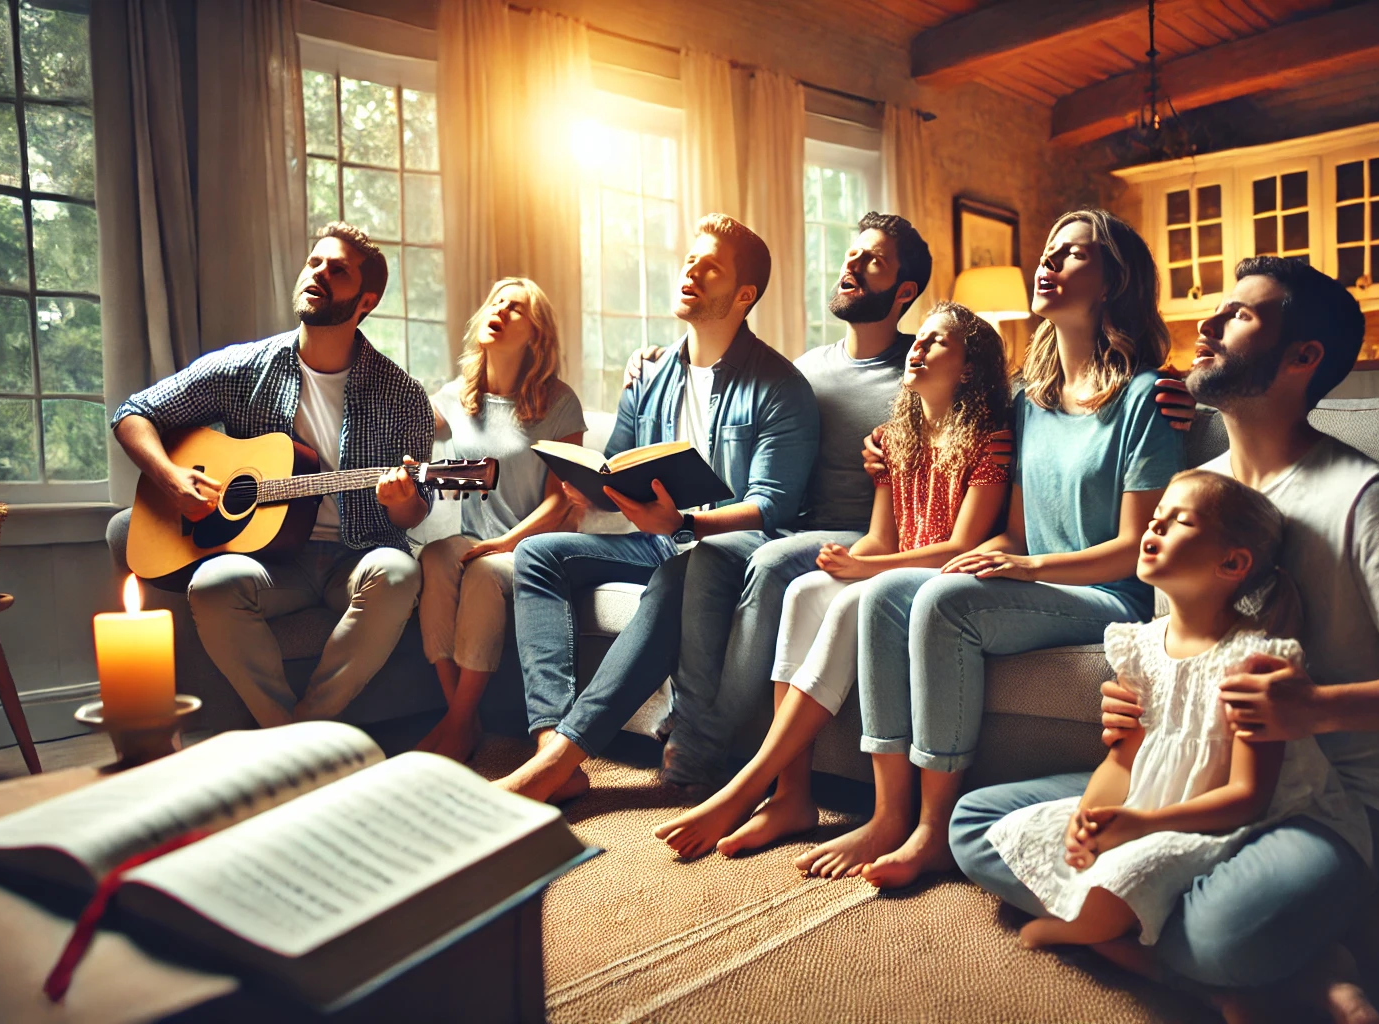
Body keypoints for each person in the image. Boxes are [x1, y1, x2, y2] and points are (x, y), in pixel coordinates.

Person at [950, 256, 1379, 1024]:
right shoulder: (1198, 492)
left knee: (1223, 934)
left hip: (1334, 801)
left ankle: (1300, 934)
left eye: (1238, 315)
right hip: (1191, 779)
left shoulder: (1369, 499)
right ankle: (1313, 957)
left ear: (1303, 357)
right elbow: (1179, 637)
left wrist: (1316, 710)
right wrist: (1135, 710)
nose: (1204, 324)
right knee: (975, 828)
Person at [795, 208, 1186, 888]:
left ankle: (934, 831)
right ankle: (891, 814)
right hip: (1037, 582)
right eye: (1049, 249)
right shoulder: (1029, 403)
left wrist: (1022, 566)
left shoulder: (1148, 400)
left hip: (1106, 594)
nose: (1048, 262)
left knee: (946, 603)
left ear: (1114, 282)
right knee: (888, 591)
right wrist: (982, 553)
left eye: (1072, 255)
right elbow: (1013, 529)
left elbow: (1133, 552)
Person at [654, 302, 1012, 858]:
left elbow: (963, 546)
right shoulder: (896, 438)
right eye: (920, 340)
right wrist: (843, 560)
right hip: (896, 569)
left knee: (851, 605)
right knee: (802, 591)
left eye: (938, 342)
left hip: (940, 579)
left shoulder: (989, 441)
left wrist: (864, 570)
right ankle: (789, 795)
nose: (917, 347)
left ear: (968, 369)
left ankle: (744, 785)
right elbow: (878, 538)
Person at [497, 214, 819, 804]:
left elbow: (771, 507)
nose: (691, 270)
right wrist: (590, 486)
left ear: (744, 295)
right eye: (690, 260)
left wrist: (685, 523)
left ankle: (565, 755)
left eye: (710, 266)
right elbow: (618, 462)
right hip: (660, 538)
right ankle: (551, 747)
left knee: (683, 567)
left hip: (730, 552)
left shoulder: (780, 386)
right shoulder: (650, 374)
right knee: (538, 555)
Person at [991, 470, 1369, 958]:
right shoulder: (1140, 646)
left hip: (1219, 821)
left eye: (1178, 522)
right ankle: (1144, 951)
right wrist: (1088, 820)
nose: (1153, 529)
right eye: (1154, 519)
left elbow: (1248, 797)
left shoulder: (1254, 659)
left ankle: (1105, 936)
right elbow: (1122, 761)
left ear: (1232, 562)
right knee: (1007, 832)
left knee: (1123, 882)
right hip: (1148, 804)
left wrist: (1143, 826)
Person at [109, 222, 433, 726]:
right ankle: (282, 731)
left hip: (357, 555)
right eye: (315, 262)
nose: (319, 273)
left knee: (398, 572)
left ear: (366, 301)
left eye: (339, 271)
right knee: (214, 582)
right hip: (269, 559)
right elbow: (133, 413)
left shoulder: (403, 395)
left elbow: (415, 513)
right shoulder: (244, 367)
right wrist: (172, 479)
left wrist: (401, 501)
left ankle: (312, 724)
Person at [415, 278, 586, 761]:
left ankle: (456, 724)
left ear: (536, 334)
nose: (501, 310)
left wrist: (505, 542)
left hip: (536, 547)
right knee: (435, 557)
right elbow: (404, 425)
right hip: (475, 539)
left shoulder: (558, 403)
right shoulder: (454, 398)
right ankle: (462, 720)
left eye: (516, 309)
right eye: (497, 302)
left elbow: (562, 502)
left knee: (483, 572)